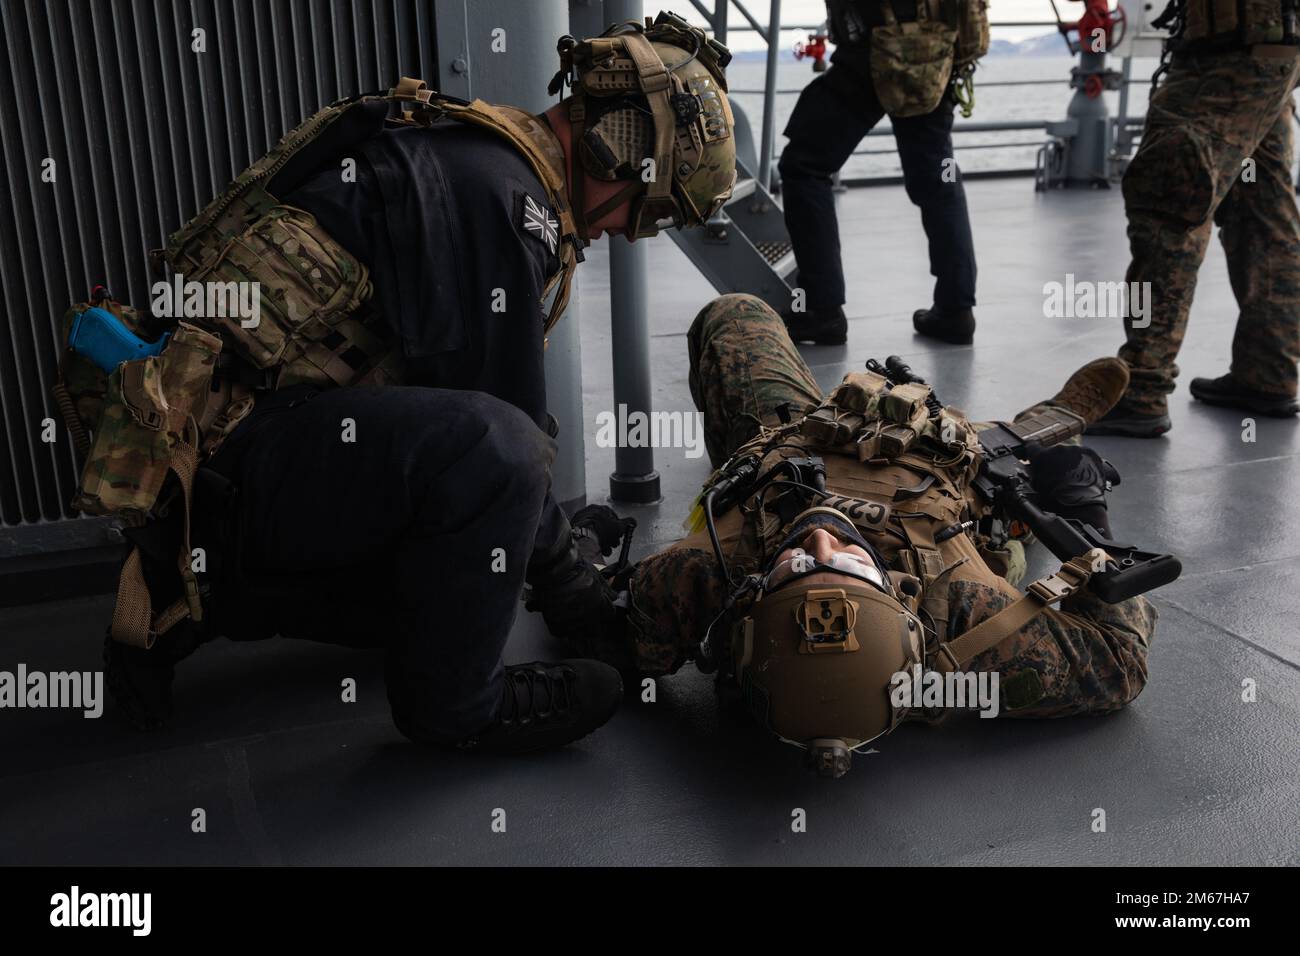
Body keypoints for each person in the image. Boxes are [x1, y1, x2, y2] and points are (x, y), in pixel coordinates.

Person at [98, 12, 737, 755]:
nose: (631, 233)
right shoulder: (502, 204)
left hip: (222, 470)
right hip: (233, 481)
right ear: (619, 151)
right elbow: (503, 438)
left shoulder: (474, 154)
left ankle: (185, 599)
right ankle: (456, 708)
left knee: (477, 527)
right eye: (649, 211)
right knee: (501, 451)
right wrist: (584, 604)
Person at [561, 294, 1158, 776]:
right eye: (850, 564)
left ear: (749, 610)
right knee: (1041, 458)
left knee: (734, 313)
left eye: (792, 566)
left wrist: (580, 549)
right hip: (948, 475)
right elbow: (1121, 660)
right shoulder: (968, 616)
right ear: (901, 603)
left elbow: (594, 628)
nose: (821, 539)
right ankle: (1047, 420)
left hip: (799, 442)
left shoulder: (697, 578)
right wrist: (1086, 516)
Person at [1089, 0, 1300, 437]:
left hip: (1229, 55)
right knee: (1262, 211)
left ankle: (1141, 385)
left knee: (1168, 201)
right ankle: (1268, 371)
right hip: (1271, 49)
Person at [778, 0, 983, 346]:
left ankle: (821, 309)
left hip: (877, 44)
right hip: (937, 48)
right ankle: (955, 309)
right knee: (938, 179)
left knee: (804, 165)